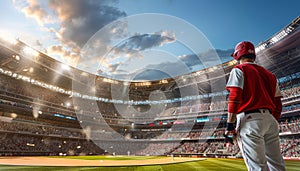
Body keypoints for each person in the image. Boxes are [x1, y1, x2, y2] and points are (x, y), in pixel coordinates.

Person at [225, 41, 286, 171]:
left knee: (257, 167)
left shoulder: (239, 70)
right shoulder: (270, 75)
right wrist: (271, 120)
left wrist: (230, 125)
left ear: (237, 55)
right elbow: (278, 104)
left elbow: (235, 97)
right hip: (270, 120)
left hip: (250, 120)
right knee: (277, 165)